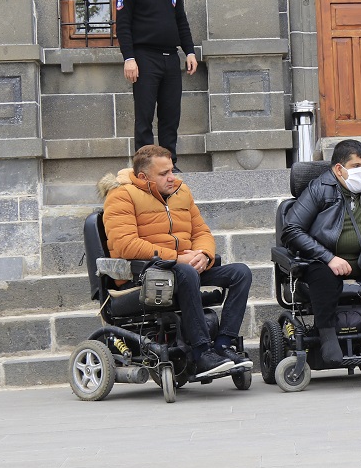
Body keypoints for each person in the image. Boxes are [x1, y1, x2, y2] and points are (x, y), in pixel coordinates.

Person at [100, 145, 253, 379]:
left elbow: (201, 231)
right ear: (143, 177)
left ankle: (222, 346)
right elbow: (125, 245)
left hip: (183, 269)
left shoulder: (182, 192)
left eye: (172, 170)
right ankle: (202, 353)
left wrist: (204, 254)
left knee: (240, 273)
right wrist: (176, 257)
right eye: (163, 174)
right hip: (144, 276)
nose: (172, 177)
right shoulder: (121, 195)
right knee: (185, 272)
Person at [281, 140, 361, 366]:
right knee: (323, 277)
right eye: (356, 166)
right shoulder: (319, 189)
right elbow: (291, 229)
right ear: (338, 169)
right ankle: (327, 335)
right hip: (324, 261)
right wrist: (329, 257)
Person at [115, 0, 197, 168]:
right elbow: (123, 26)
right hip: (144, 58)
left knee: (170, 115)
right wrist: (129, 58)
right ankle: (146, 165)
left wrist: (189, 51)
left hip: (171, 57)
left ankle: (170, 164)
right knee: (144, 115)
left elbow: (181, 21)